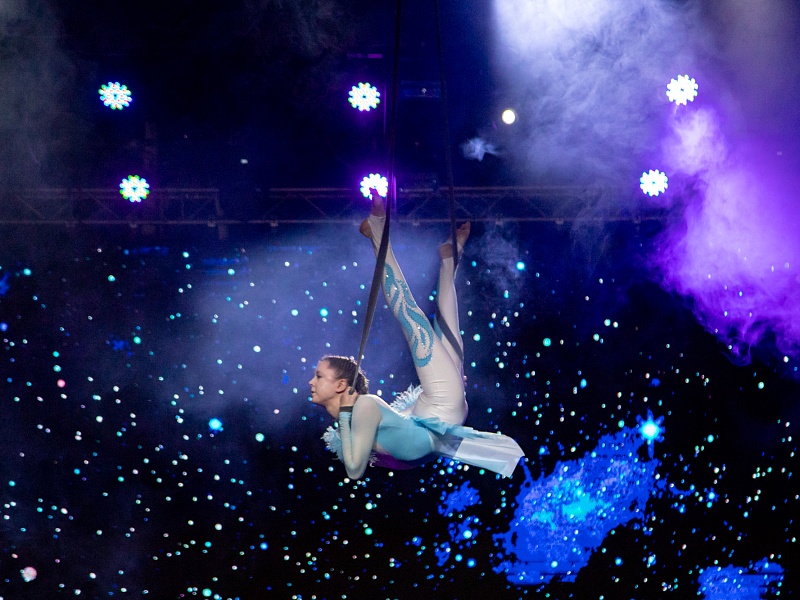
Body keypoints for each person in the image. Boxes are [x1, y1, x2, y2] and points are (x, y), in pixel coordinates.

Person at [309, 190, 524, 479]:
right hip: (438, 413)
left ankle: (436, 254)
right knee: (421, 322)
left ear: (341, 385)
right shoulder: (356, 416)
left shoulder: (364, 408)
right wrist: (347, 414)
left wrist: (442, 380)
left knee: (417, 320)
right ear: (340, 386)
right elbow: (358, 468)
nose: (311, 381)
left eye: (318, 375)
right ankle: (411, 244)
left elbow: (357, 468)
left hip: (436, 411)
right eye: (318, 375)